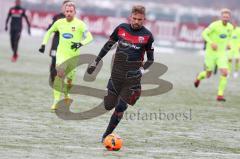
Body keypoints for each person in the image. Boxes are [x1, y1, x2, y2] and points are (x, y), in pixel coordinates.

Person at [87, 5, 154, 141]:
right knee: (108, 105)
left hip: (132, 79)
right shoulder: (121, 28)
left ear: (144, 20)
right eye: (134, 18)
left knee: (120, 107)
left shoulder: (148, 36)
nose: (136, 21)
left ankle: (105, 136)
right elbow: (108, 45)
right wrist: (96, 61)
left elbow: (151, 60)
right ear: (130, 17)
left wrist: (141, 68)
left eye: (139, 19)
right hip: (116, 75)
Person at [39, 1, 93, 110]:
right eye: (67, 11)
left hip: (73, 56)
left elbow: (90, 37)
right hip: (61, 54)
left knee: (69, 79)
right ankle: (55, 102)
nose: (68, 13)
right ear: (64, 11)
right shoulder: (59, 23)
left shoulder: (80, 24)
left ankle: (67, 93)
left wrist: (80, 43)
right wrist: (43, 44)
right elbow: (49, 32)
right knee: (59, 74)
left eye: (71, 11)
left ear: (75, 12)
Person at [194, 8, 233, 102]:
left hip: (222, 54)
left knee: (225, 72)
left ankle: (220, 95)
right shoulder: (215, 25)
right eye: (224, 16)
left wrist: (228, 44)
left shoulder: (230, 27)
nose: (225, 18)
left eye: (227, 17)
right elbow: (204, 34)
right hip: (210, 53)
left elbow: (229, 38)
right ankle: (199, 77)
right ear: (221, 16)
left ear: (229, 17)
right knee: (208, 74)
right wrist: (211, 43)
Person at [47, 0, 71, 83]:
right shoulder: (57, 17)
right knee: (54, 61)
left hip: (66, 44)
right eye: (65, 6)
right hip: (56, 43)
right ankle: (53, 78)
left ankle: (60, 78)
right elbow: (50, 28)